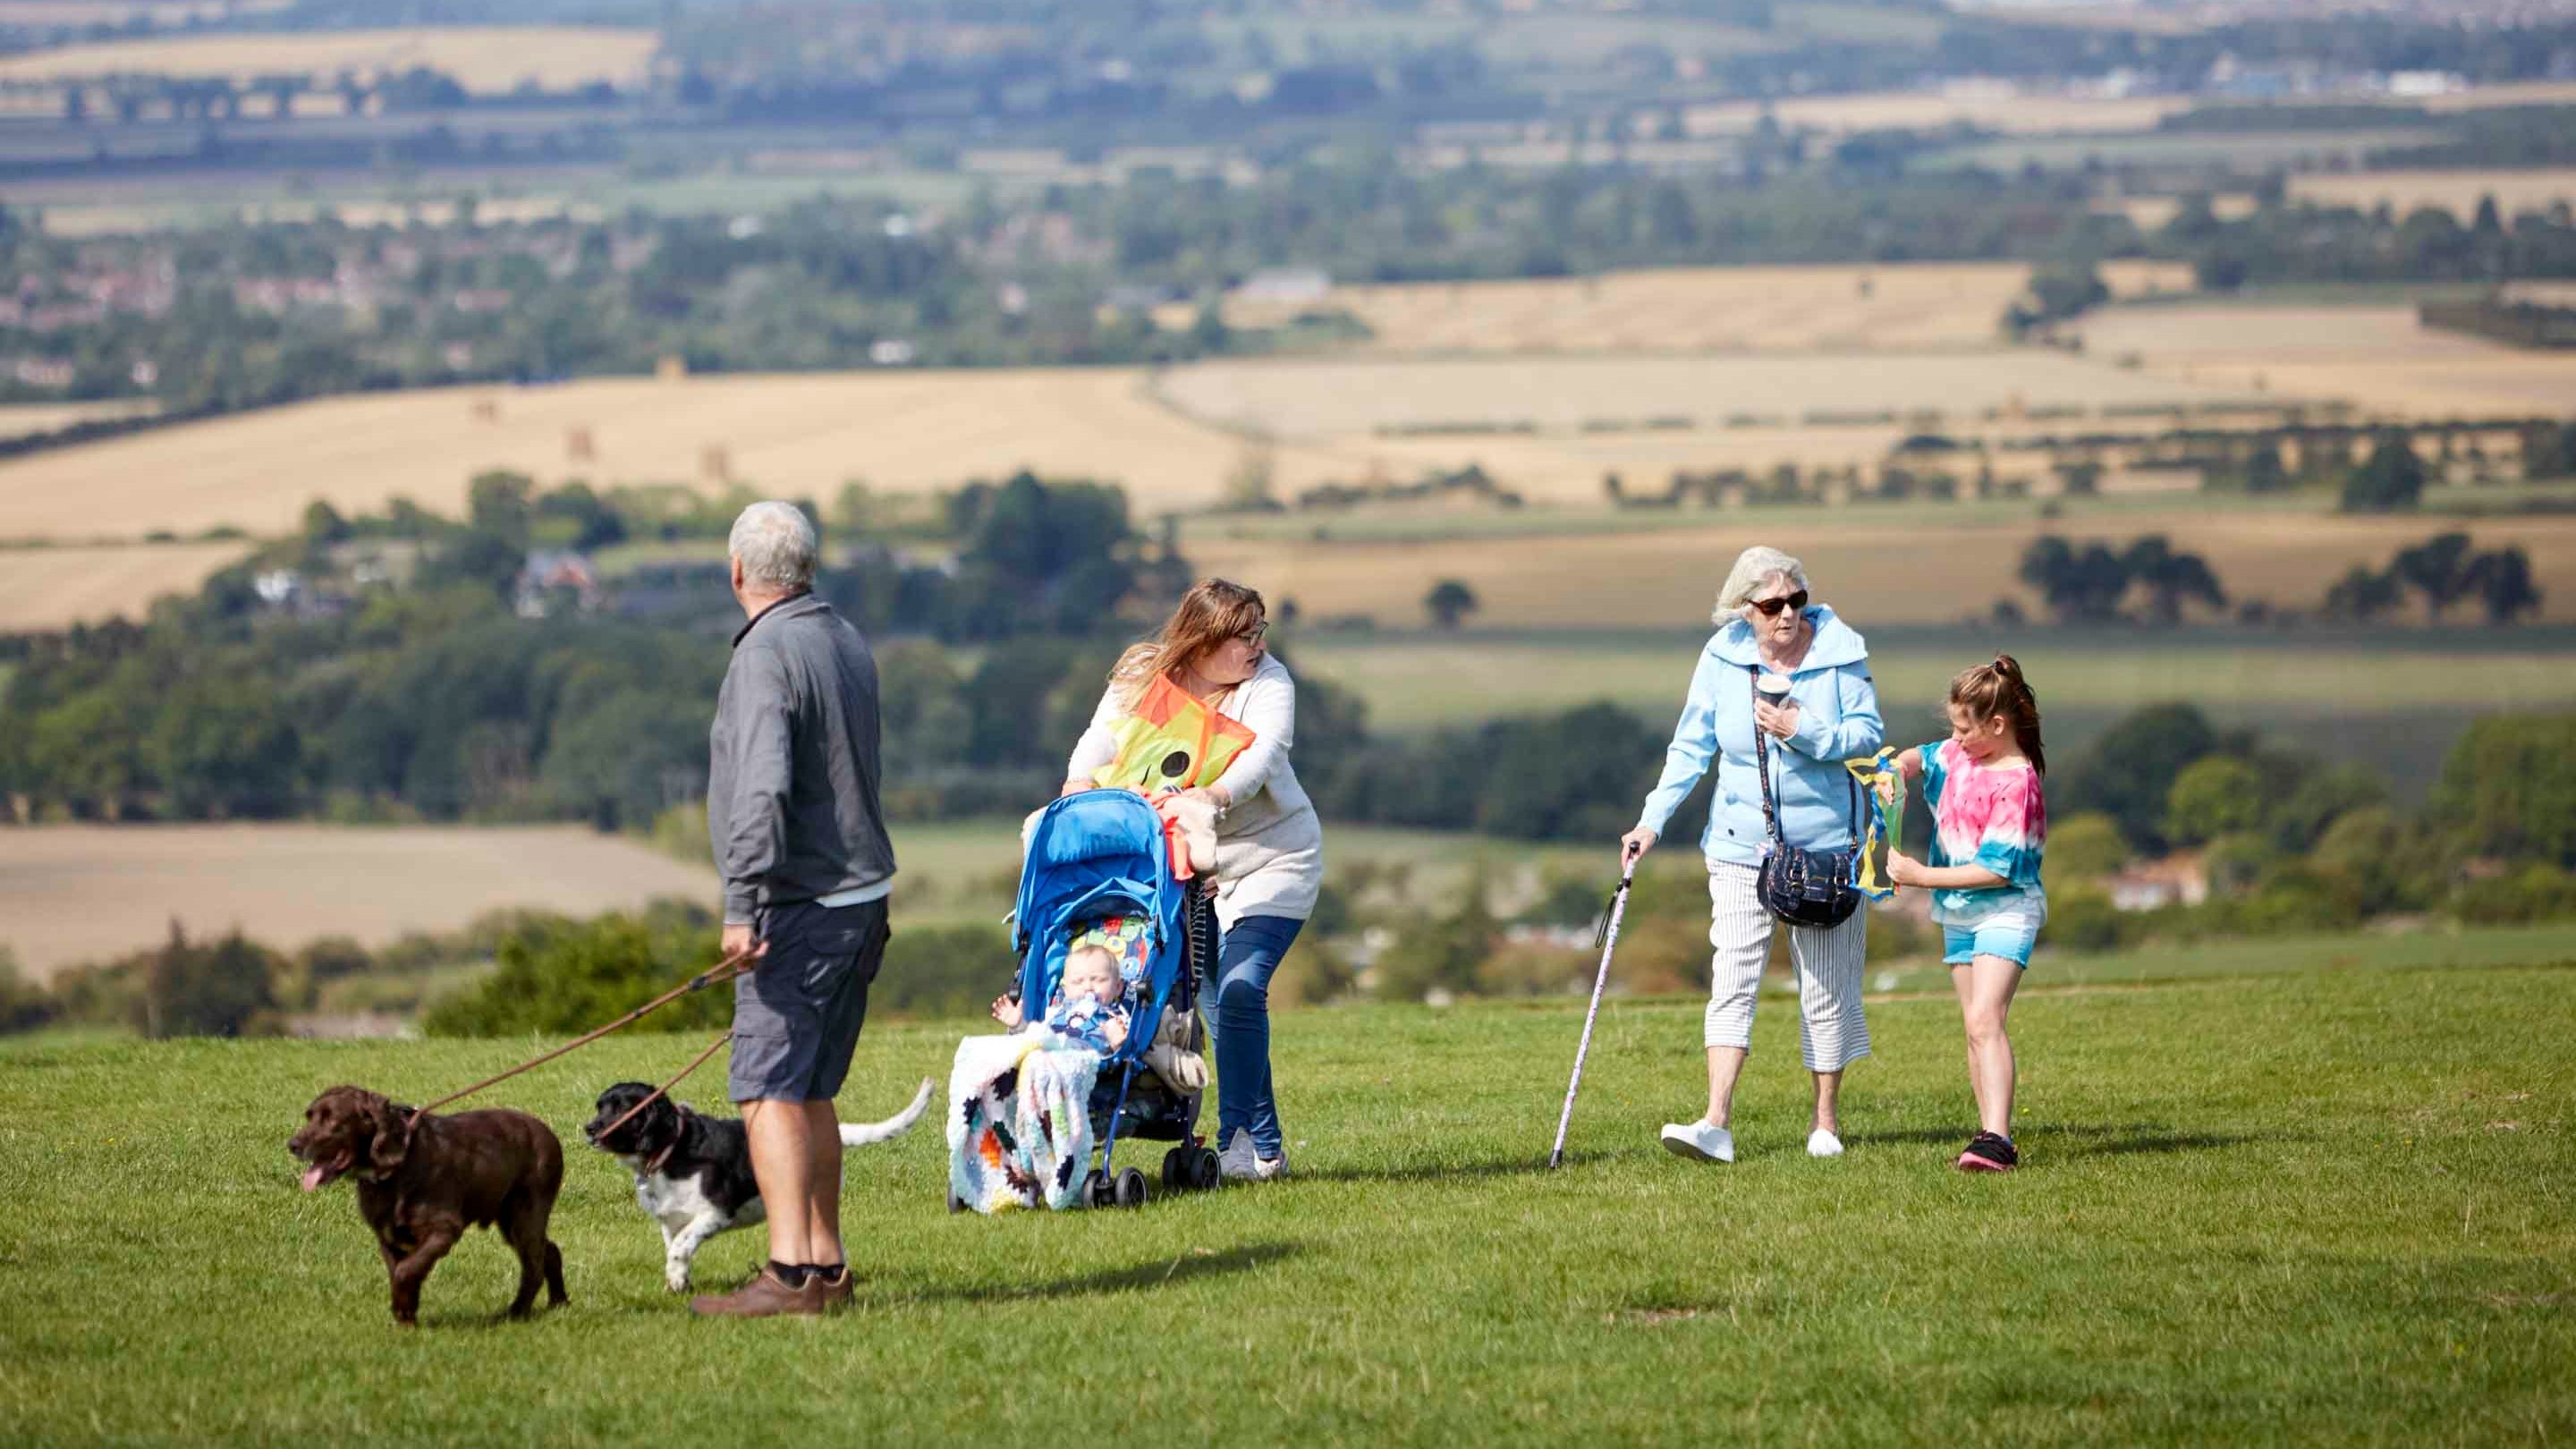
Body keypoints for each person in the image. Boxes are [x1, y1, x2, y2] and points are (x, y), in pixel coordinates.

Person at [692, 501, 896, 1318]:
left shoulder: (764, 654)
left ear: (738, 572)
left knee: (766, 1088)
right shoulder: (843, 637)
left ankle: (788, 1276)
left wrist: (743, 904)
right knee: (810, 1086)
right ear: (806, 568)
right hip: (862, 894)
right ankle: (826, 1268)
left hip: (800, 903)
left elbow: (764, 786)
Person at [1619, 546, 1884, 1165]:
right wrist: (1650, 821)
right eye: (1772, 606)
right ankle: (1715, 1123)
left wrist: (1804, 733)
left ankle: (1825, 1124)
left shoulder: (1842, 655)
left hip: (1830, 849)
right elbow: (1691, 748)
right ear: (1744, 611)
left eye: (1796, 601)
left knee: (1826, 988)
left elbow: (1869, 736)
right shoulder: (1723, 658)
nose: (1787, 615)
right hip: (1741, 846)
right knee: (1732, 978)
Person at [1063, 579, 1319, 1182]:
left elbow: (1263, 755)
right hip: (1184, 863)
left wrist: (1214, 796)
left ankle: (1241, 1143)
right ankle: (1264, 1148)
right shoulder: (1146, 674)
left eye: (1262, 631)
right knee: (1214, 1004)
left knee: (1239, 990)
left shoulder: (1267, 684)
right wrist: (1077, 784)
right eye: (1244, 635)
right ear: (1204, 640)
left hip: (1270, 858)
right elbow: (1103, 737)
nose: (1258, 645)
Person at [1881, 656, 2049, 1174]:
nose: (1954, 739)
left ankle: (1999, 1138)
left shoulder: (2017, 784)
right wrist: (1894, 772)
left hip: (2006, 910)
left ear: (1997, 725)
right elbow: (1920, 758)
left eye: (1963, 727)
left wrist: (1918, 876)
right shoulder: (1959, 754)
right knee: (1974, 1028)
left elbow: (1996, 871)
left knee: (1985, 1018)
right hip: (1958, 914)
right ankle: (1988, 1133)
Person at [990, 944, 1133, 1055]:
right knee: (1035, 1037)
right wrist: (1019, 1026)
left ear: (1118, 987)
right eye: (1078, 982)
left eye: (1099, 980)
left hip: (1081, 1056)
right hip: (1047, 1051)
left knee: (1048, 1043)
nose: (1088, 987)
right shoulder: (1057, 1012)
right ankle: (1019, 1028)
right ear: (1065, 989)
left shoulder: (1116, 1018)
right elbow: (1040, 1034)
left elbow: (1122, 1055)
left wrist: (1115, 1043)